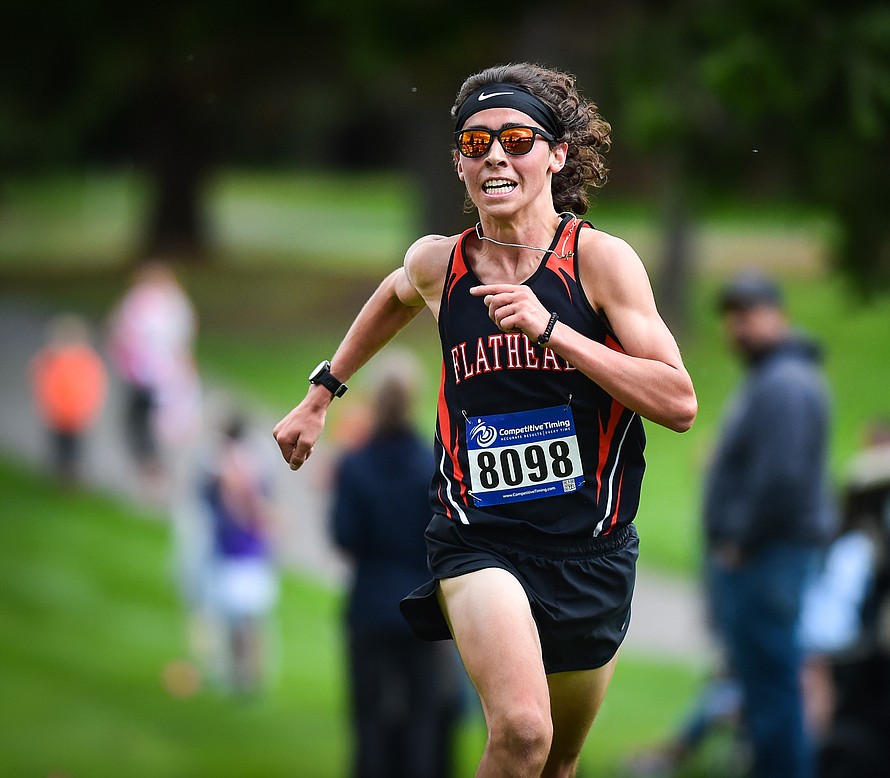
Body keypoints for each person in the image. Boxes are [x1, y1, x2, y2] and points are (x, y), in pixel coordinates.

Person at [274, 63, 696, 777]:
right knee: (522, 734)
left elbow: (678, 402)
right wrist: (323, 391)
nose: (494, 154)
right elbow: (395, 292)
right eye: (475, 142)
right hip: (479, 539)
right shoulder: (443, 265)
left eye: (516, 138)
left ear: (556, 155)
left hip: (590, 551)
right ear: (462, 165)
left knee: (558, 762)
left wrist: (554, 332)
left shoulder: (598, 263)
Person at [701, 271, 838, 778]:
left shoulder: (786, 382)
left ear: (779, 316)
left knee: (773, 689)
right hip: (768, 554)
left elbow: (782, 478)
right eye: (733, 318)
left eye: (751, 314)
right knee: (764, 688)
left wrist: (740, 538)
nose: (740, 327)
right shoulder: (774, 377)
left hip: (770, 555)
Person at [331, 353, 464, 778]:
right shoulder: (433, 465)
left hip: (370, 604)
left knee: (370, 721)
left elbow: (343, 535)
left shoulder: (354, 465)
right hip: (423, 607)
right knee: (425, 721)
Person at [107, 259, 201, 501]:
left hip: (144, 373)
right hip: (162, 374)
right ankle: (157, 467)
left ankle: (151, 466)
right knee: (156, 420)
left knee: (140, 421)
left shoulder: (143, 302)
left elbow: (121, 330)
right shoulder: (176, 303)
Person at [203, 414, 279, 695]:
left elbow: (246, 507)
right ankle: (243, 673)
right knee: (243, 618)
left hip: (243, 549)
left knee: (246, 618)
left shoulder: (234, 463)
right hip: (242, 548)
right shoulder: (238, 461)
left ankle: (248, 674)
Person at [29, 313, 108, 484]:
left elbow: (93, 386)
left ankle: (73, 475)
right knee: (59, 445)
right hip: (57, 412)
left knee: (76, 447)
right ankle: (62, 472)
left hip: (77, 413)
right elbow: (44, 383)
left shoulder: (87, 360)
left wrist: (88, 408)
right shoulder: (51, 359)